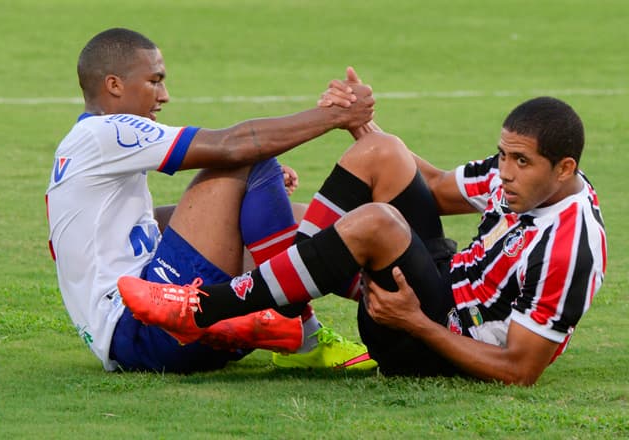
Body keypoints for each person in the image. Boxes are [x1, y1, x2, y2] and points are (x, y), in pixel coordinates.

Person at [119, 69, 606, 384]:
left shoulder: (571, 245)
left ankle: (205, 309)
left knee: (375, 223)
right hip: (445, 282)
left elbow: (521, 370)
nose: (504, 171)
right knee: (383, 151)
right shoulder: (518, 176)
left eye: (520, 161)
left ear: (564, 169)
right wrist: (356, 122)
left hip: (431, 337)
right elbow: (432, 186)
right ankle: (286, 307)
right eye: (503, 155)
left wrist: (414, 322)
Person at [45, 28, 379, 374]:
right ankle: (303, 334)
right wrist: (335, 116)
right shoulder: (105, 133)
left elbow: (138, 227)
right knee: (249, 159)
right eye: (154, 81)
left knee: (296, 218)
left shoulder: (84, 146)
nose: (164, 95)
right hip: (144, 327)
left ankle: (383, 299)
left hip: (150, 333)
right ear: (114, 85)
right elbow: (233, 145)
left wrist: (245, 200)